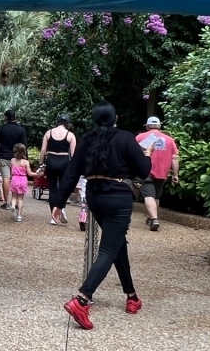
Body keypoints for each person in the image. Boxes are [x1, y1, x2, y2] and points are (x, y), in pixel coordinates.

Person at [51, 101, 153, 330]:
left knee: (117, 244)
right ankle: (82, 300)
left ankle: (132, 296)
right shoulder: (126, 138)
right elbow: (144, 171)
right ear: (115, 118)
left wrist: (58, 202)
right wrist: (147, 154)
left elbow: (72, 172)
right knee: (109, 249)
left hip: (95, 197)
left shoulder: (87, 139)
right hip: (118, 197)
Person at [135, 116, 180, 232]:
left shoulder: (140, 137)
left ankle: (154, 219)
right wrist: (175, 174)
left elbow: (132, 153)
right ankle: (152, 218)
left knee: (148, 195)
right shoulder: (169, 140)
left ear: (147, 126)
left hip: (146, 171)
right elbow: (175, 158)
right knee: (156, 196)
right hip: (162, 172)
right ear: (159, 126)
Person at [40, 115, 76, 225]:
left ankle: (53, 216)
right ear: (67, 123)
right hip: (64, 161)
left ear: (58, 122)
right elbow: (73, 154)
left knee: (52, 188)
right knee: (63, 187)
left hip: (51, 160)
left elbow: (43, 150)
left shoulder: (49, 133)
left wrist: (41, 164)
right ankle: (61, 208)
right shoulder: (70, 135)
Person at [0, 109, 27, 211]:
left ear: (5, 117)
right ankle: (15, 201)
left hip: (3, 156)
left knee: (6, 179)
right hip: (17, 158)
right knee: (16, 178)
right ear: (15, 117)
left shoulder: (2, 129)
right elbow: (24, 145)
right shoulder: (21, 130)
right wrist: (26, 159)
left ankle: (7, 202)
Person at [9, 144, 33, 222]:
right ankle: (19, 216)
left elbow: (11, 172)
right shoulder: (25, 162)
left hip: (14, 179)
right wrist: (38, 174)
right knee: (20, 199)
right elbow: (30, 174)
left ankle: (13, 206)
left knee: (14, 197)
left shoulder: (12, 160)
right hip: (22, 180)